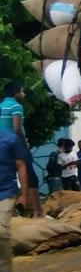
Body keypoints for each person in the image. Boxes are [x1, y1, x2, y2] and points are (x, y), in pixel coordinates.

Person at [1, 81, 44, 218]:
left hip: (2, 147)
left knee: (7, 178)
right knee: (31, 177)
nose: (24, 94)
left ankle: (11, 213)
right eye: (22, 91)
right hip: (14, 144)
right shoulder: (16, 106)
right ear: (16, 93)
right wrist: (23, 146)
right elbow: (17, 128)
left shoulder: (1, 105)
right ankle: (38, 211)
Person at [0, 129, 30, 272]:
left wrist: (24, 194)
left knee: (1, 232)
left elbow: (21, 165)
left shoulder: (10, 139)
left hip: (5, 191)